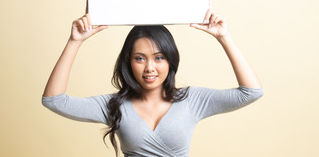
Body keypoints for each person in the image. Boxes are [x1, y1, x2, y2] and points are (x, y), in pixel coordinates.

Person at [42, 9, 263, 157]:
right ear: (129, 62)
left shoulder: (192, 100)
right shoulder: (114, 105)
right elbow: (54, 101)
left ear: (170, 60)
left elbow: (251, 92)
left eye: (159, 58)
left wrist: (223, 37)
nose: (150, 67)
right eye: (140, 58)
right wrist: (75, 41)